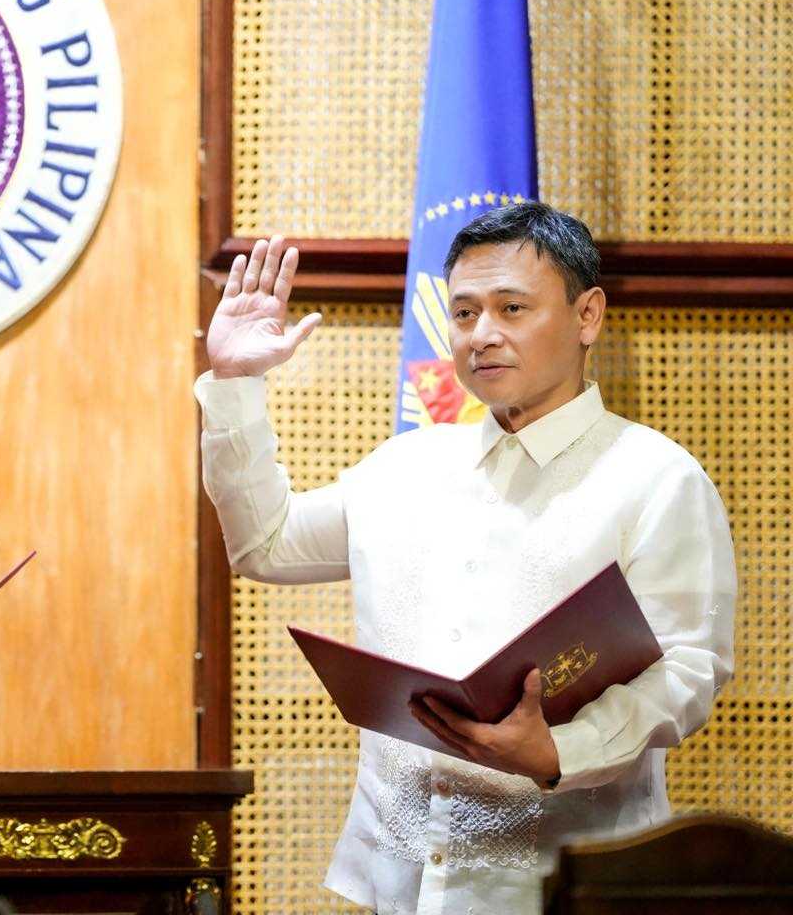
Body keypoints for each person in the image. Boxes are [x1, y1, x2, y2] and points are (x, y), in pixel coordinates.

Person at [197, 203, 735, 914]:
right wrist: (235, 384)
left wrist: (558, 752)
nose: (483, 335)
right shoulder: (407, 465)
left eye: (513, 308)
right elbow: (266, 542)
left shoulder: (656, 478)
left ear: (587, 317)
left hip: (566, 885)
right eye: (464, 313)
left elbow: (692, 666)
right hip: (401, 881)